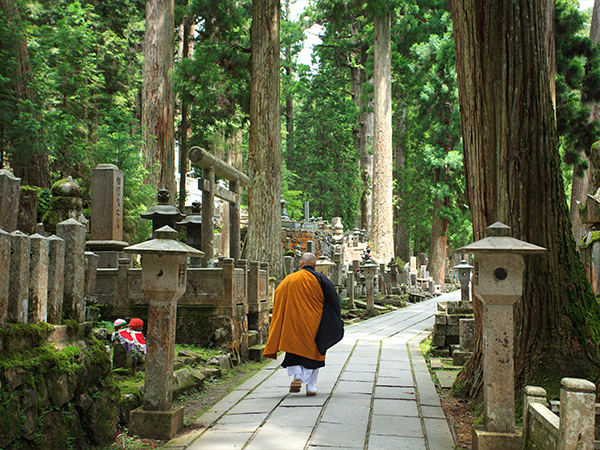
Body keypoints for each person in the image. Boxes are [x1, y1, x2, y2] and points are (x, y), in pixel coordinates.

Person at [263, 252, 344, 396]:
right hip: (314, 324)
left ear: (300, 264)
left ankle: (297, 376)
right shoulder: (321, 279)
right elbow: (334, 301)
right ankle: (310, 386)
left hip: (293, 324)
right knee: (315, 352)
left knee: (294, 350)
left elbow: (278, 296)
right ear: (314, 265)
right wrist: (334, 320)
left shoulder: (289, 279)